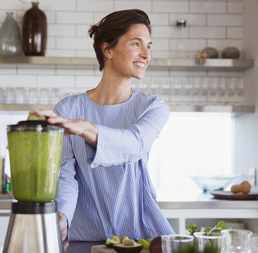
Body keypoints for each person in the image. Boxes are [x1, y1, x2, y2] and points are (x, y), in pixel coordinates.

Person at [35, 9, 174, 247]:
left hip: (141, 237)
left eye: (149, 46)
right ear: (108, 49)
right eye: (136, 43)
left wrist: (85, 129)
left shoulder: (152, 107)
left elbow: (134, 145)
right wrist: (61, 217)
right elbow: (66, 176)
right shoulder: (68, 109)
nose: (145, 54)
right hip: (85, 238)